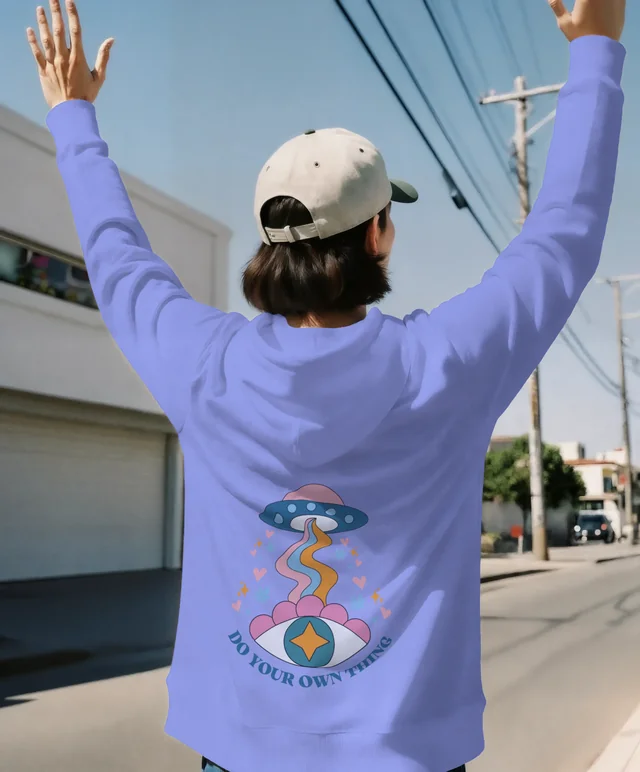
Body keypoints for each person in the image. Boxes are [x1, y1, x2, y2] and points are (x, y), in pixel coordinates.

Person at [27, 0, 625, 769]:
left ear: (271, 246)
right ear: (378, 235)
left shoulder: (204, 365)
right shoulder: (445, 367)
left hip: (238, 753)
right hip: (409, 753)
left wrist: (74, 116)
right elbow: (562, 237)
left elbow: (117, 258)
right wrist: (597, 50)